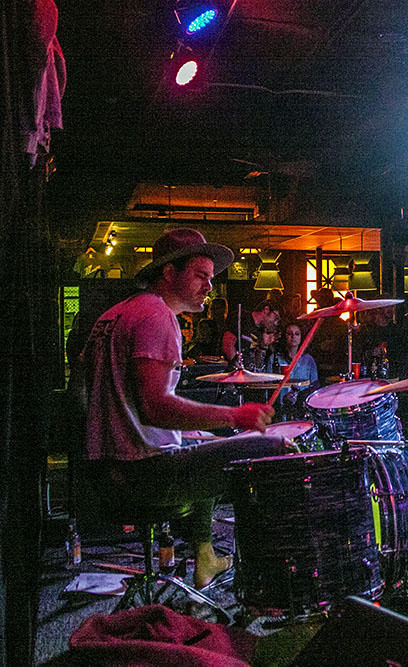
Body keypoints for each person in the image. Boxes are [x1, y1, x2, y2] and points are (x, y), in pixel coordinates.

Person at [79, 228, 288, 590]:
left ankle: (204, 555)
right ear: (169, 273)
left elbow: (114, 400)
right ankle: (273, 571)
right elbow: (155, 408)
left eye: (211, 277)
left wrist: (199, 430)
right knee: (271, 451)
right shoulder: (157, 317)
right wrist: (234, 415)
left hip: (105, 469)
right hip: (142, 475)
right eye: (200, 276)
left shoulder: (114, 314)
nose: (209, 286)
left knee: (204, 442)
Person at [222, 298, 281, 365]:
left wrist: (264, 346)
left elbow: (258, 363)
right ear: (266, 310)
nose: (275, 322)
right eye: (275, 318)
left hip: (249, 371)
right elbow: (228, 343)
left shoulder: (263, 331)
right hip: (232, 370)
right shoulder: (242, 317)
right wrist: (237, 365)